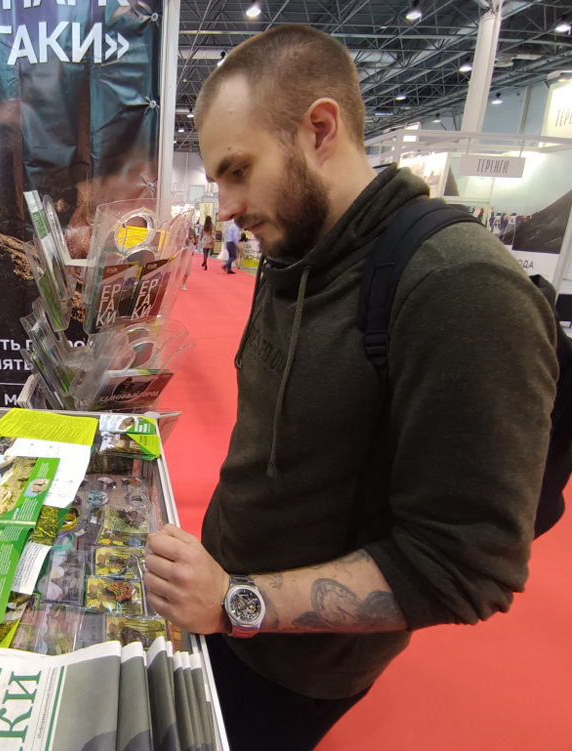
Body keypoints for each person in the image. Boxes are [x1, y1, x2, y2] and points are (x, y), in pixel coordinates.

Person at [142, 25, 557, 751]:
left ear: (320, 130)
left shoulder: (459, 286)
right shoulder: (294, 248)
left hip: (294, 668)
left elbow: (466, 567)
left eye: (238, 170)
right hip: (219, 603)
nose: (226, 205)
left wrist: (236, 601)